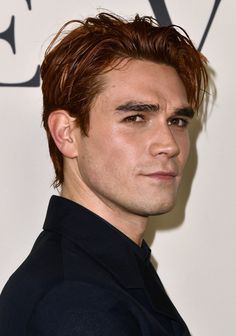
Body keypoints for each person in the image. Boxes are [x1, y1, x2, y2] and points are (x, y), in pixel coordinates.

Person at [0, 12, 208, 335]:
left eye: (178, 121)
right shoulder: (77, 306)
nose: (169, 145)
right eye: (136, 118)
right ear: (67, 134)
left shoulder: (109, 272)